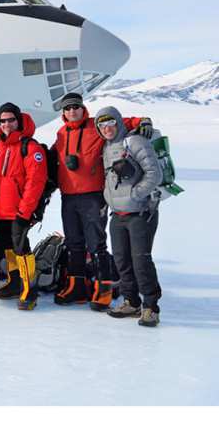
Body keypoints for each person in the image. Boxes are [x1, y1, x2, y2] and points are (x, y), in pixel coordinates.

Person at [50, 92, 150, 310]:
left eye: (75, 107)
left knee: (96, 243)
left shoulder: (95, 126)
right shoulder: (61, 133)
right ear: (63, 113)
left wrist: (142, 121)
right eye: (67, 108)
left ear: (82, 108)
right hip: (68, 196)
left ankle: (103, 288)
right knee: (74, 243)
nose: (72, 111)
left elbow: (121, 123)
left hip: (93, 196)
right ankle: (76, 287)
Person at [96, 106, 163, 327]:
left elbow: (155, 173)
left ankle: (151, 307)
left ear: (118, 122)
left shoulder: (134, 142)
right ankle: (131, 301)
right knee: (121, 260)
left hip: (140, 213)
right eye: (102, 126)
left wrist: (137, 194)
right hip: (118, 214)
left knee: (140, 260)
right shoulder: (106, 148)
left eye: (110, 124)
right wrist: (109, 200)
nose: (107, 129)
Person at [0, 102, 47, 310]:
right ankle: (13, 282)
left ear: (18, 120)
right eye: (3, 120)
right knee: (5, 248)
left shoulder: (30, 147)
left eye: (11, 119)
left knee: (21, 248)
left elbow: (35, 183)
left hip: (18, 210)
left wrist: (25, 211)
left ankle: (30, 289)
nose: (7, 124)